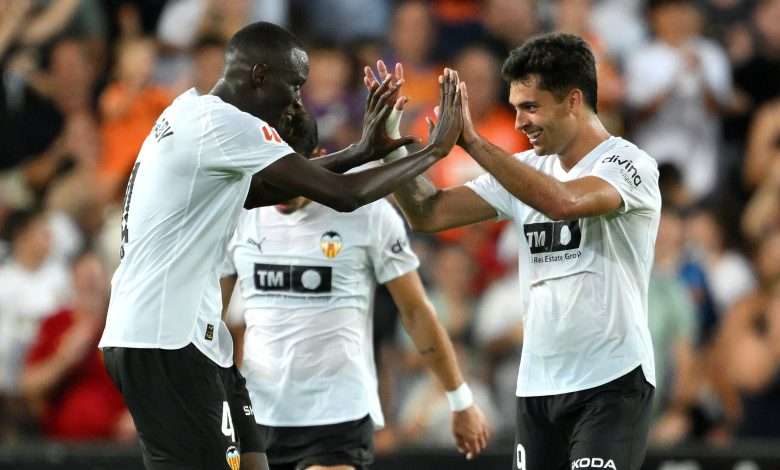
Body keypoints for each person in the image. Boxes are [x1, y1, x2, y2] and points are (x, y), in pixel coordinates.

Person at [98, 21, 463, 470]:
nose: (296, 101)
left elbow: (261, 191)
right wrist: (434, 151)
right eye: (293, 86)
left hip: (188, 336)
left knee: (254, 462)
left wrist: (364, 150)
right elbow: (343, 195)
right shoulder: (226, 125)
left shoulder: (191, 113)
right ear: (258, 75)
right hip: (165, 340)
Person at [367, 32, 661, 469]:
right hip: (538, 386)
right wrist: (390, 143)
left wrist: (476, 143)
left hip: (611, 383)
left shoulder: (628, 164)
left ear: (573, 100)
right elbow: (428, 212)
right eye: (515, 108)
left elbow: (563, 203)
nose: (520, 121)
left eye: (531, 106)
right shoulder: (525, 170)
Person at [221, 109, 489, 470]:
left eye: (287, 171)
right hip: (258, 413)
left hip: (337, 415)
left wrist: (460, 399)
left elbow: (416, 311)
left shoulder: (368, 215)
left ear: (318, 161)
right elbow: (212, 314)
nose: (276, 185)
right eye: (268, 171)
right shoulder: (237, 214)